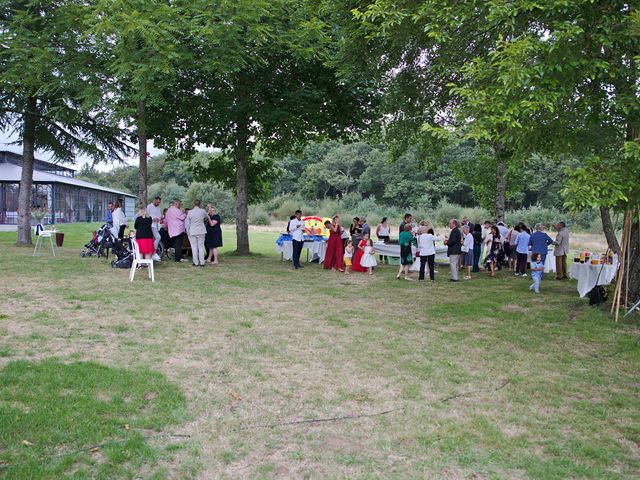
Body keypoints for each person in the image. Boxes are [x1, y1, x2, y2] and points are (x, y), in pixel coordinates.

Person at [185, 200, 209, 267]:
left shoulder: (190, 212)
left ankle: (195, 262)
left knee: (194, 247)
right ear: (199, 204)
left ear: (194, 204)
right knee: (201, 247)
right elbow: (206, 217)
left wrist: (187, 231)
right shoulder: (202, 211)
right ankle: (202, 262)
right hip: (201, 230)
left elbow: (187, 223)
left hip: (192, 231)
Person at [146, 196, 162, 261]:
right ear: (154, 200)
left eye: (159, 203)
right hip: (150, 225)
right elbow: (147, 216)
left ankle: (153, 252)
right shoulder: (149, 207)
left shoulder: (158, 208)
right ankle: (154, 252)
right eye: (157, 202)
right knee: (158, 237)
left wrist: (159, 218)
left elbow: (159, 216)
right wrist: (152, 218)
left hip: (156, 225)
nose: (158, 204)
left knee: (155, 239)